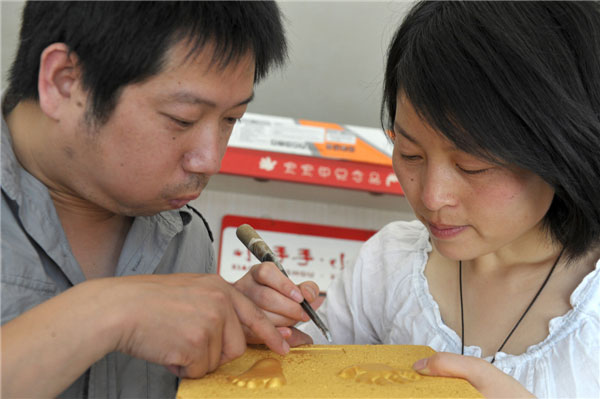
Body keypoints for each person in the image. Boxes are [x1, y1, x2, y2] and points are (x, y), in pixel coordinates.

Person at [0, 2, 319, 398]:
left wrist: (229, 330)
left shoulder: (186, 239)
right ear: (66, 82)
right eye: (182, 118)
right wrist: (111, 312)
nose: (210, 160)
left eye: (231, 120)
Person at [294, 2, 600, 397]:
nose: (431, 196)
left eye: (472, 166)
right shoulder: (389, 266)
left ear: (562, 149)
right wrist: (268, 332)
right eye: (409, 154)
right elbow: (303, 373)